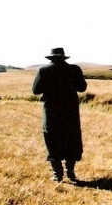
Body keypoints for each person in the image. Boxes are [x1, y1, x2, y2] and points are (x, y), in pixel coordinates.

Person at [32, 48, 87, 182]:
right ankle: (71, 172)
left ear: (51, 58)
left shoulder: (43, 71)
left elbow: (35, 90)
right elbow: (82, 88)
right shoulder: (75, 69)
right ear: (64, 58)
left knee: (52, 139)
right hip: (70, 112)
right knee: (71, 139)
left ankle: (57, 173)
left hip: (51, 112)